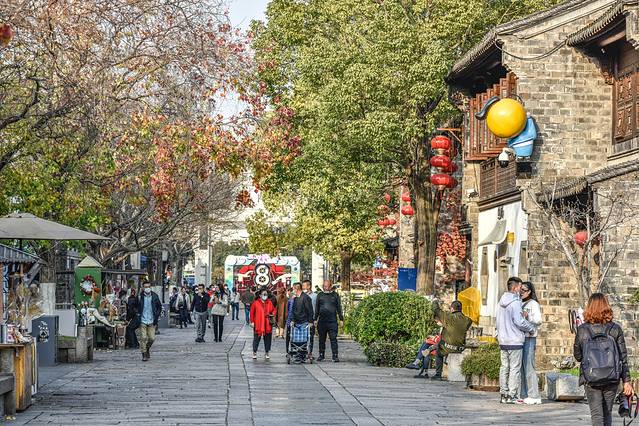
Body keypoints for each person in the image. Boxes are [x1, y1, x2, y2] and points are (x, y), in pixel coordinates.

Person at [574, 293, 632, 426]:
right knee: (607, 414)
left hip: (591, 378)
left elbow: (578, 356)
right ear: (607, 307)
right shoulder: (615, 329)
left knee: (597, 416)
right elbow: (623, 357)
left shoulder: (583, 330)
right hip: (612, 377)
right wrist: (627, 381)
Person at [496, 277, 534, 404]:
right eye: (519, 287)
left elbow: (497, 321)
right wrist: (531, 328)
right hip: (514, 340)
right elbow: (519, 321)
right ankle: (511, 395)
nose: (520, 290)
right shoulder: (515, 302)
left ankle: (503, 393)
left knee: (504, 367)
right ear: (514, 287)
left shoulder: (500, 302)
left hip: (503, 340)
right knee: (514, 368)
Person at [429, 300, 472, 380]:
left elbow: (436, 310)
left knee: (439, 352)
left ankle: (438, 375)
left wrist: (435, 301)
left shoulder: (448, 317)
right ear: (461, 309)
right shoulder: (467, 320)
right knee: (440, 344)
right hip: (460, 348)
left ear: (452, 308)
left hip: (448, 348)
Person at [519, 281, 543, 405]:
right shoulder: (518, 302)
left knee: (529, 366)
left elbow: (539, 320)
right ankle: (523, 394)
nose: (521, 292)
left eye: (524, 290)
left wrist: (528, 316)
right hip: (519, 338)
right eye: (520, 289)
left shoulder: (533, 304)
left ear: (529, 292)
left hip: (529, 337)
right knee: (521, 367)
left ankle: (534, 395)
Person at [314, 280, 344, 362]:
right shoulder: (320, 295)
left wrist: (341, 319)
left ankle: (335, 355)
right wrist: (315, 319)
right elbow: (317, 308)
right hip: (322, 321)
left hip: (332, 321)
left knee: (333, 339)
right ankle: (321, 355)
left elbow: (339, 307)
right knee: (321, 339)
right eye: (324, 286)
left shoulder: (335, 295)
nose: (325, 288)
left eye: (327, 286)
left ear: (330, 286)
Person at [136, 281, 162, 361]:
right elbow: (135, 306)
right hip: (142, 320)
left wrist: (157, 315)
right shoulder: (139, 297)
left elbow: (159, 307)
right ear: (143, 288)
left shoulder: (155, 296)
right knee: (143, 338)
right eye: (145, 287)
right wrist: (137, 314)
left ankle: (147, 348)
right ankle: (144, 354)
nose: (147, 288)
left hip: (151, 320)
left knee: (152, 338)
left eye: (148, 287)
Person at [250, 287, 277, 359]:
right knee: (256, 338)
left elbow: (274, 310)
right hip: (258, 323)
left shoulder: (269, 302)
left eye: (266, 294)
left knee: (268, 338)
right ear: (260, 295)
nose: (265, 295)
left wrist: (272, 314)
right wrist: (252, 322)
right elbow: (252, 313)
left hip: (267, 323)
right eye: (263, 294)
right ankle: (254, 352)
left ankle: (267, 352)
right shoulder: (255, 303)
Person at [302, 280, 317, 359]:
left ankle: (310, 353)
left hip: (311, 320)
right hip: (302, 319)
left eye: (304, 286)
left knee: (311, 337)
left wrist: (316, 319)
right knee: (302, 336)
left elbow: (317, 308)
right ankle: (303, 352)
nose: (303, 287)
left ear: (309, 286)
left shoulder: (315, 296)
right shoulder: (301, 295)